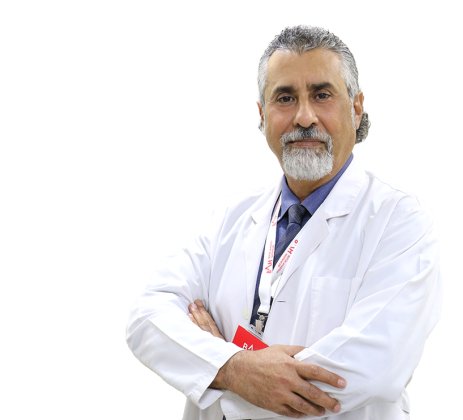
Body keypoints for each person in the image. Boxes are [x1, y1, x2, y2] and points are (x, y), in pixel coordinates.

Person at [126, 25, 441, 420]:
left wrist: (210, 366)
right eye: (285, 98)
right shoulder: (231, 219)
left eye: (322, 95)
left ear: (356, 107)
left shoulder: (399, 224)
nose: (304, 116)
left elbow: (372, 371)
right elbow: (147, 317)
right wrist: (233, 368)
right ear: (262, 115)